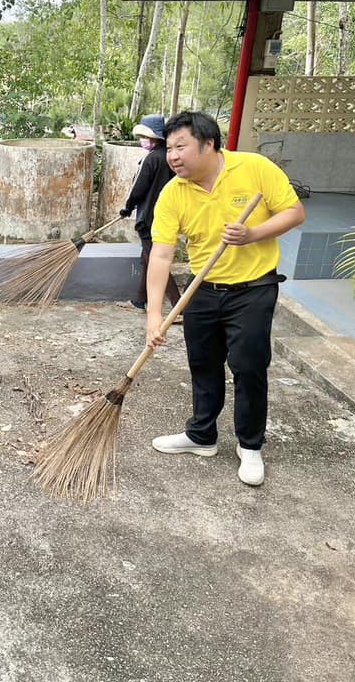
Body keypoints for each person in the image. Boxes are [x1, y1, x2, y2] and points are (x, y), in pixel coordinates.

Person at [145, 111, 305, 487]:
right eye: (169, 148)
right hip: (202, 290)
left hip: (253, 288)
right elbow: (161, 255)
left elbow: (295, 212)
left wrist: (253, 233)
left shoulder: (255, 168)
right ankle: (202, 435)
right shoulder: (174, 193)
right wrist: (154, 315)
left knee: (248, 367)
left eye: (180, 146)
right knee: (203, 363)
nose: (173, 156)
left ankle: (250, 446)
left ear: (209, 144)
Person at [119, 113, 181, 312]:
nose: (143, 140)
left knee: (156, 261)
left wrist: (127, 207)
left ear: (154, 136)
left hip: (149, 218)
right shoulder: (169, 158)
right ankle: (139, 301)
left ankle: (178, 308)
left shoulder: (152, 159)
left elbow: (139, 188)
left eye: (145, 136)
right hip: (166, 216)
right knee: (147, 258)